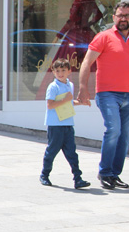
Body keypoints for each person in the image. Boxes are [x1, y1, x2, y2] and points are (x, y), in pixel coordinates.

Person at [78, 1, 129, 189]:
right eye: (120, 15)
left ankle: (114, 174)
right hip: (107, 94)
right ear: (113, 17)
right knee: (113, 130)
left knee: (125, 137)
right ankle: (105, 172)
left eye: (127, 15)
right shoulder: (103, 37)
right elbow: (87, 62)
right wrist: (83, 87)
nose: (123, 18)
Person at [39, 58, 91, 189]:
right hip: (55, 125)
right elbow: (50, 105)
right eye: (57, 71)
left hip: (67, 123)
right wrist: (66, 99)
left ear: (69, 71)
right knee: (52, 151)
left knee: (72, 153)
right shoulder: (53, 87)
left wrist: (81, 103)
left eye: (63, 70)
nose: (60, 73)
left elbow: (68, 102)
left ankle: (78, 179)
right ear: (53, 72)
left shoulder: (70, 85)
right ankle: (44, 175)